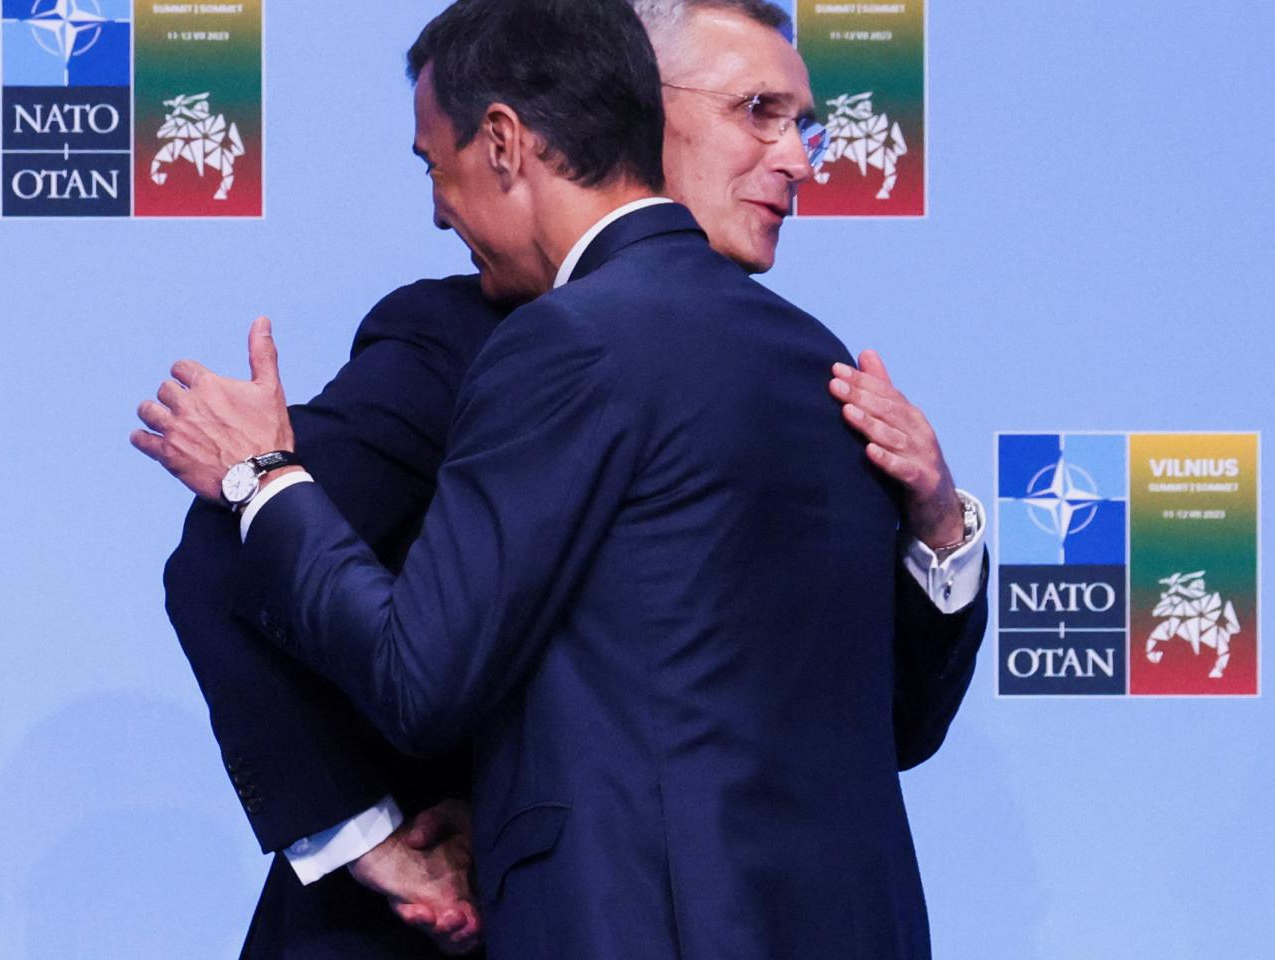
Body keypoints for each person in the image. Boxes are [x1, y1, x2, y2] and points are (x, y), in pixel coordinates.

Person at [158, 0, 988, 955]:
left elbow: (865, 724)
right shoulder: (459, 338)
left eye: (801, 122)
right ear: (636, 101)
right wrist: (369, 833)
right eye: (755, 110)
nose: (796, 156)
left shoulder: (813, 372)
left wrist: (938, 529)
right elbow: (229, 561)